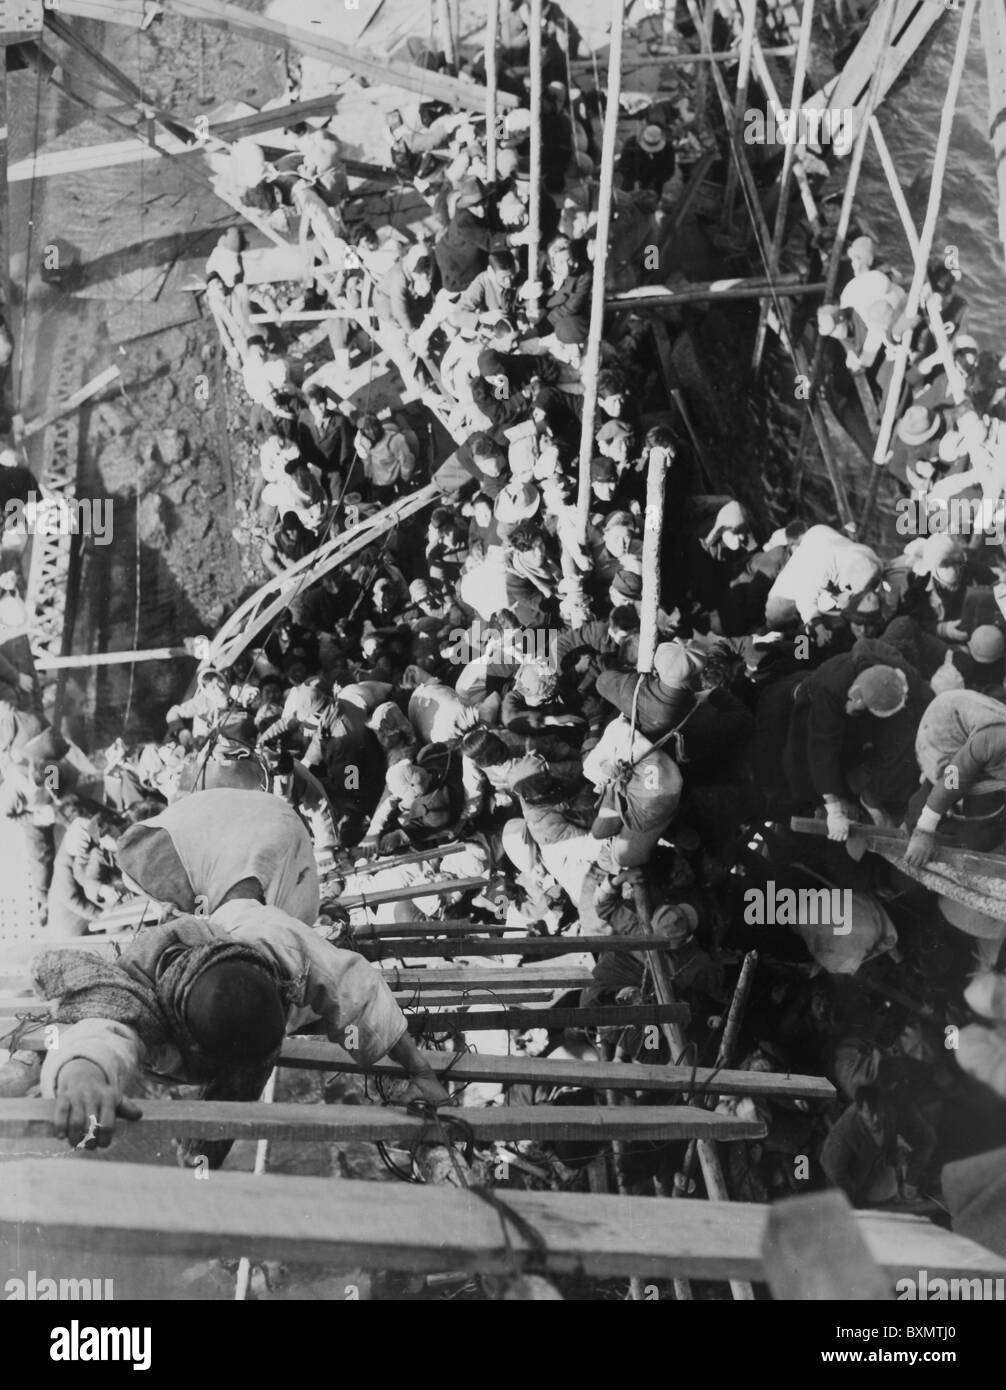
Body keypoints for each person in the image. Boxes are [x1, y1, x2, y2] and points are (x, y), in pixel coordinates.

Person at [37, 902, 450, 1151]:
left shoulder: (284, 950)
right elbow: (106, 1031)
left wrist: (421, 1072)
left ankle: (202, 1160)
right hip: (214, 949)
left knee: (235, 1092)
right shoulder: (140, 988)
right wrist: (82, 1074)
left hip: (251, 929)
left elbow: (360, 990)